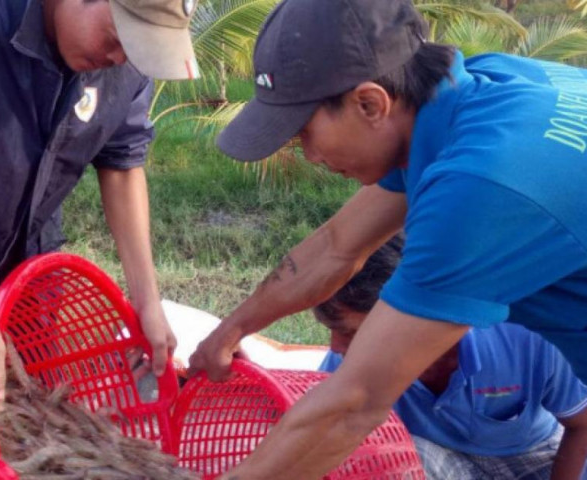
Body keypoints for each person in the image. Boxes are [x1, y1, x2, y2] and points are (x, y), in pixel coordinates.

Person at [186, 0, 587, 478]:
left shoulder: (482, 188)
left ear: (370, 103)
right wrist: (230, 331)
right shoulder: (486, 88)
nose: (309, 155)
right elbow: (337, 246)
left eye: (304, 133)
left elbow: (354, 405)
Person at [0, 0, 199, 402]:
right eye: (118, 38)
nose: (120, 59)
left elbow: (121, 164)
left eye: (136, 48)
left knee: (22, 415)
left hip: (27, 274)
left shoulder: (122, 64)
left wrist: (147, 301)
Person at [315, 237, 587, 480]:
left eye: (348, 332)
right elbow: (317, 431)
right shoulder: (347, 363)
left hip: (531, 454)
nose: (336, 346)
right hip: (440, 459)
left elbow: (582, 426)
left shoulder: (525, 335)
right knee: (383, 457)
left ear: (405, 317)